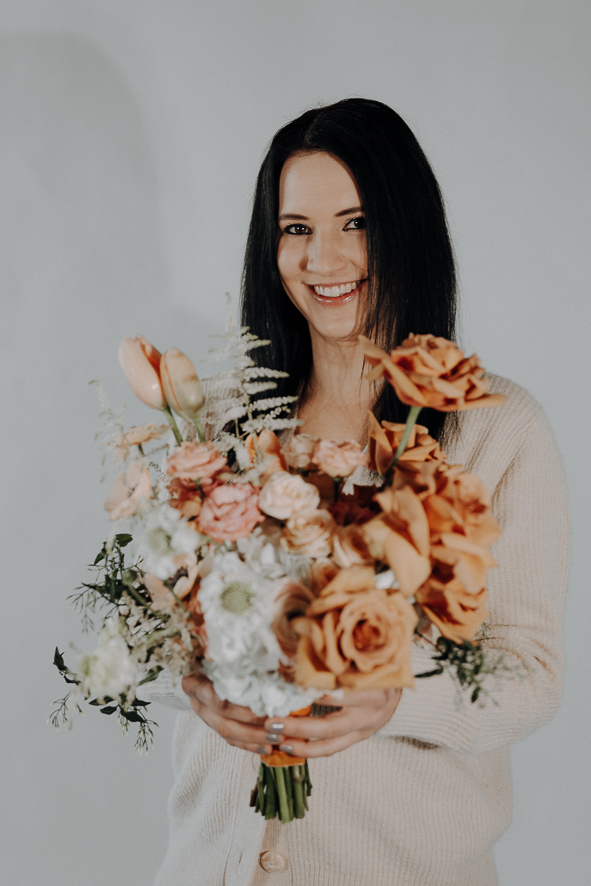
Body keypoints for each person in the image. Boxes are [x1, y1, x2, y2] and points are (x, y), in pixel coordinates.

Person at [152, 99, 569, 886]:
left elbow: (530, 672)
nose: (324, 258)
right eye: (296, 228)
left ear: (406, 228)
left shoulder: (496, 429)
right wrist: (193, 686)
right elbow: (148, 624)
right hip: (212, 867)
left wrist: (395, 696)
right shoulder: (216, 421)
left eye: (357, 222)